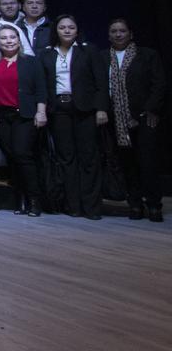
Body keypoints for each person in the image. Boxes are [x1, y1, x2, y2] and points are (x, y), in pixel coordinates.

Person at [39, 15, 109, 219]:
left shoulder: (88, 51)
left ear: (77, 30)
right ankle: (73, 205)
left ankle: (91, 207)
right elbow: (43, 85)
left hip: (85, 109)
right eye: (62, 27)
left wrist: (101, 108)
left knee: (89, 157)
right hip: (59, 109)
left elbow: (101, 82)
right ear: (56, 31)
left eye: (71, 27)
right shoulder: (46, 54)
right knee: (66, 158)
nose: (67, 30)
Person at [106, 18, 167, 222]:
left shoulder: (148, 55)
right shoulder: (104, 57)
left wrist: (151, 109)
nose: (118, 34)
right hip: (116, 119)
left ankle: (154, 205)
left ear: (131, 34)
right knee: (127, 164)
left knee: (148, 163)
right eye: (114, 31)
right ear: (109, 35)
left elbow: (159, 84)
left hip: (144, 118)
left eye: (122, 31)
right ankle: (135, 204)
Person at [0, 25, 48, 216]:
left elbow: (41, 88)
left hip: (24, 115)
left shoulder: (31, 62)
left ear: (18, 39)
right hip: (1, 116)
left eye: (12, 37)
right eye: (4, 38)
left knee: (22, 154)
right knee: (12, 157)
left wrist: (41, 111)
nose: (9, 41)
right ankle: (20, 198)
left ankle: (34, 199)